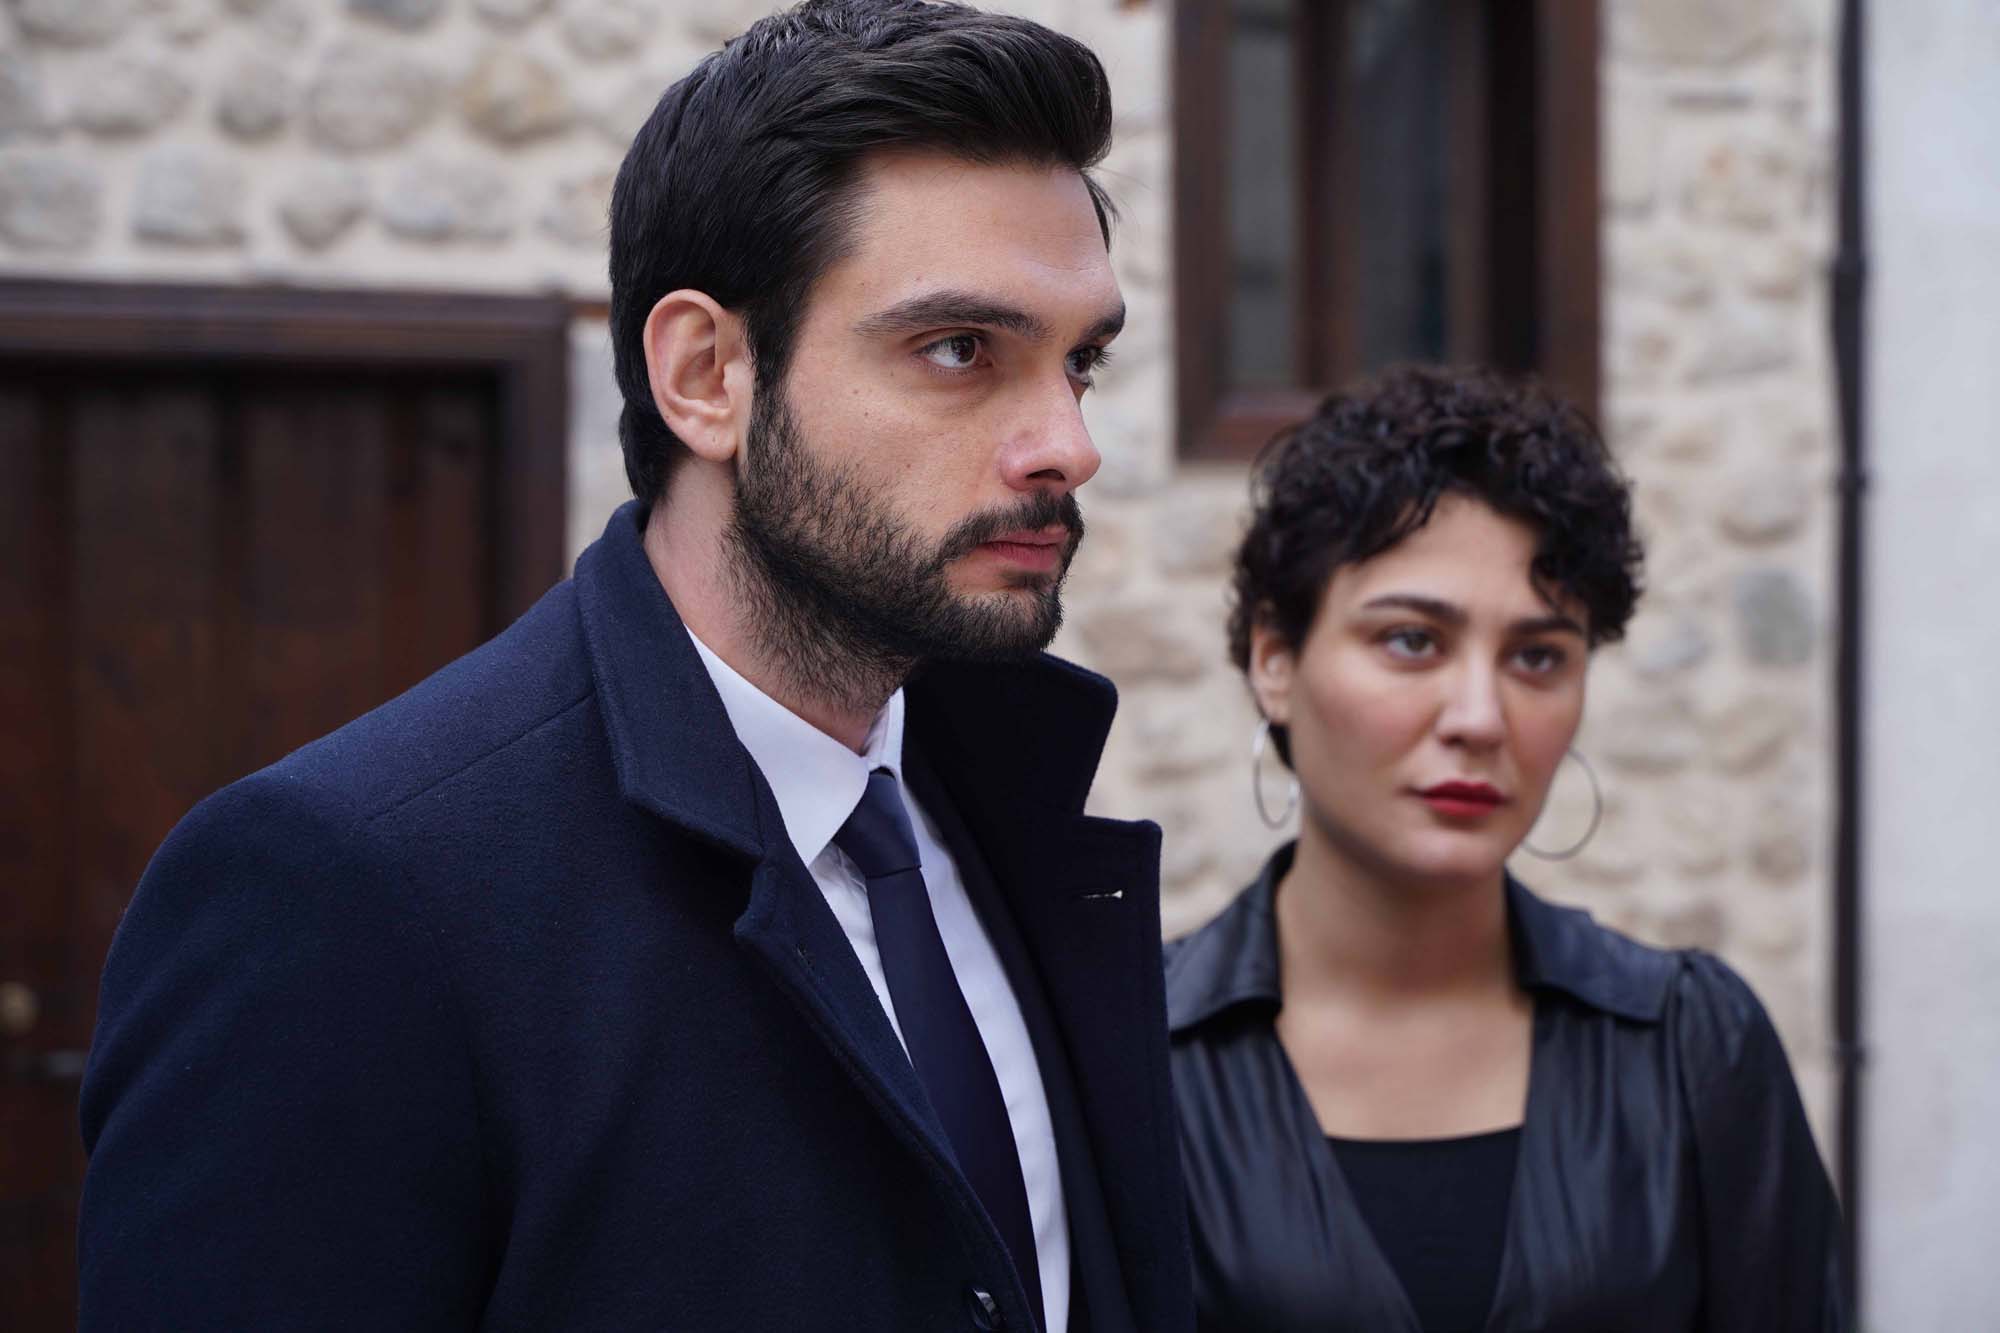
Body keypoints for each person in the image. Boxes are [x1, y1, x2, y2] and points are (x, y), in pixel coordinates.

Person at [77, 4, 1193, 1330]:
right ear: (705, 374)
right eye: (961, 350)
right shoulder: (348, 895)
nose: (1069, 444)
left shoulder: (1010, 825)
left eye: (1082, 361)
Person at [1167, 366, 1846, 1332]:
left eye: (1537, 656)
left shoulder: (1693, 1047)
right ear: (1274, 660)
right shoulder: (1132, 1057)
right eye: (1412, 640)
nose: (1481, 718)